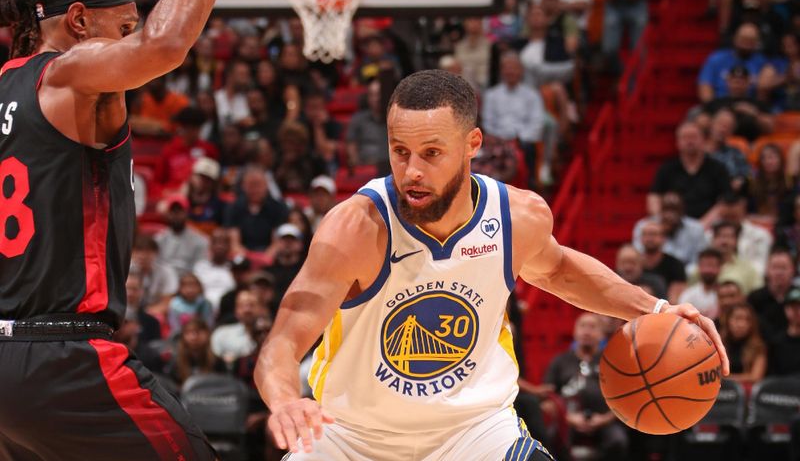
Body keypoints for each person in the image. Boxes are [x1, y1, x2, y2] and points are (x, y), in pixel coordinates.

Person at [253, 70, 728, 458]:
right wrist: (283, 400)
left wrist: (656, 308)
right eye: (400, 152)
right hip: (350, 436)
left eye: (431, 153)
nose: (411, 170)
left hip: (472, 432)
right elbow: (284, 340)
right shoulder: (355, 228)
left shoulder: (516, 217)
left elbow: (560, 270)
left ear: (472, 143)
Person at [0, 0, 243, 455]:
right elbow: (164, 45)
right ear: (79, 21)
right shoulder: (68, 72)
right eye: (123, 26)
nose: (132, 37)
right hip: (64, 354)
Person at [543, 313, 628, 461]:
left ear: (602, 334)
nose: (586, 331)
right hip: (568, 420)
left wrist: (604, 419)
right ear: (574, 332)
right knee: (549, 437)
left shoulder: (611, 362)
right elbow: (547, 398)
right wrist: (567, 418)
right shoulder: (560, 361)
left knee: (618, 440)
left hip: (603, 420)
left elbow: (625, 398)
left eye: (592, 327)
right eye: (582, 326)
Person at [482, 51, 546, 190]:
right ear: (502, 71)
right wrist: (501, 138)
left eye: (514, 68)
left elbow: (537, 124)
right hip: (498, 139)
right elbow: (488, 122)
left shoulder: (532, 95)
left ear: (521, 71)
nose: (510, 72)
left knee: (528, 149)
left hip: (522, 140)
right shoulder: (492, 95)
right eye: (507, 68)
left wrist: (518, 139)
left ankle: (531, 183)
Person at [648, 121, 731, 223]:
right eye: (685, 138)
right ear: (677, 142)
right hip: (673, 224)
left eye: (693, 137)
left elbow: (724, 202)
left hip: (710, 225)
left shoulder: (718, 168)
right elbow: (654, 196)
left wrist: (702, 225)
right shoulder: (667, 168)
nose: (690, 141)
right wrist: (661, 219)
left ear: (703, 140)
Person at [748, 248, 797, 340]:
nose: (779, 272)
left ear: (793, 270)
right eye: (775, 267)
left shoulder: (798, 297)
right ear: (767, 271)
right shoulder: (754, 298)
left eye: (783, 268)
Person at [720, 302, 767, 384]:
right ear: (728, 320)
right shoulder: (718, 343)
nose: (742, 324)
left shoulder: (758, 346)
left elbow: (755, 377)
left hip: (746, 391)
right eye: (737, 318)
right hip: (719, 390)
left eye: (747, 320)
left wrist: (726, 379)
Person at [678, 248, 724, 319]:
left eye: (712, 265)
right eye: (705, 265)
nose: (708, 270)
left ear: (720, 268)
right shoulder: (689, 295)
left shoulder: (727, 295)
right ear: (698, 267)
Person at [167, 273, 214, 338]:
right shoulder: (175, 304)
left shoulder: (205, 304)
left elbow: (209, 324)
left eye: (193, 286)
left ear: (200, 287)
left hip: (201, 336)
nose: (190, 290)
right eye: (186, 286)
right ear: (180, 288)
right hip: (181, 336)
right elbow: (174, 325)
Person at [767, 287, 800, 376]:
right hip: (781, 388)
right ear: (785, 310)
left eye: (799, 306)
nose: (796, 311)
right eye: (792, 306)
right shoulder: (776, 341)